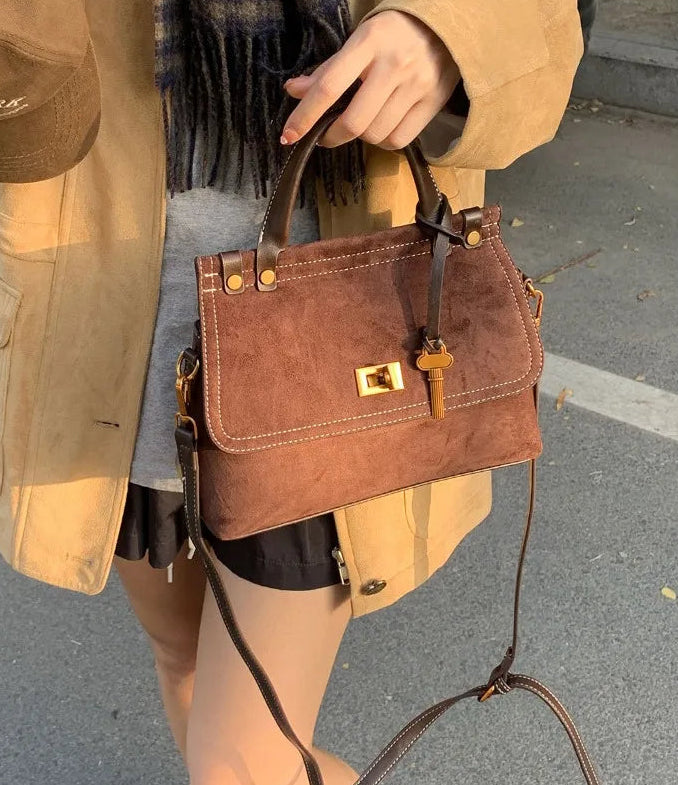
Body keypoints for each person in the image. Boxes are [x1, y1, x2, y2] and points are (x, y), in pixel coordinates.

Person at [0, 0, 584, 782]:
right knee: (184, 663)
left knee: (237, 761)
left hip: (323, 356)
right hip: (108, 331)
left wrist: (451, 34)